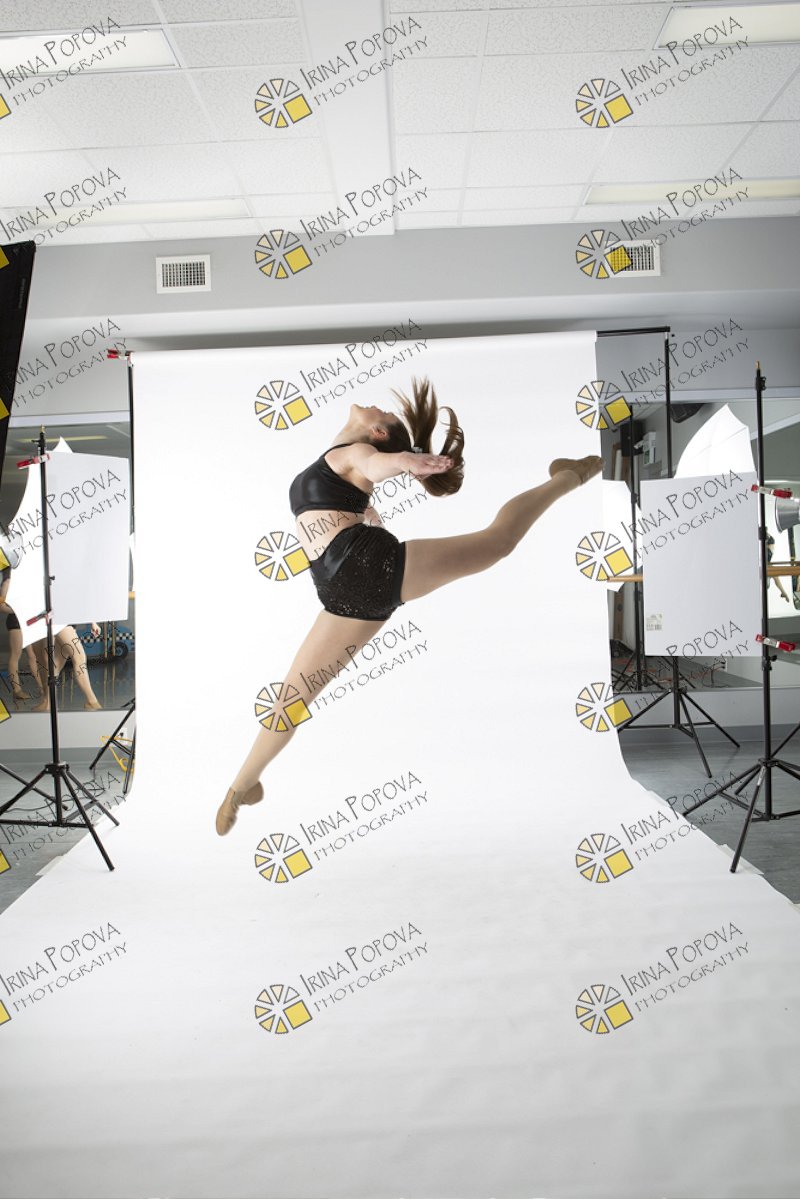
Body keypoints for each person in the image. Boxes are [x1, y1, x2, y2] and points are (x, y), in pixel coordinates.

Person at [216, 377, 602, 834]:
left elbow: (375, 464)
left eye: (384, 416)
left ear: (376, 433)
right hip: (346, 592)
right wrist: (383, 495)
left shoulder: (353, 454)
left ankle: (569, 475)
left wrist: (405, 462)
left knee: (497, 542)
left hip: (362, 571)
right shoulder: (343, 463)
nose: (379, 407)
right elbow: (365, 490)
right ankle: (242, 787)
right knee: (292, 698)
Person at [30, 624, 103, 711]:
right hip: (59, 621)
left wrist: (92, 622)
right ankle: (92, 701)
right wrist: (92, 622)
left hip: (62, 621)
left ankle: (48, 701)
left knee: (53, 664)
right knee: (78, 656)